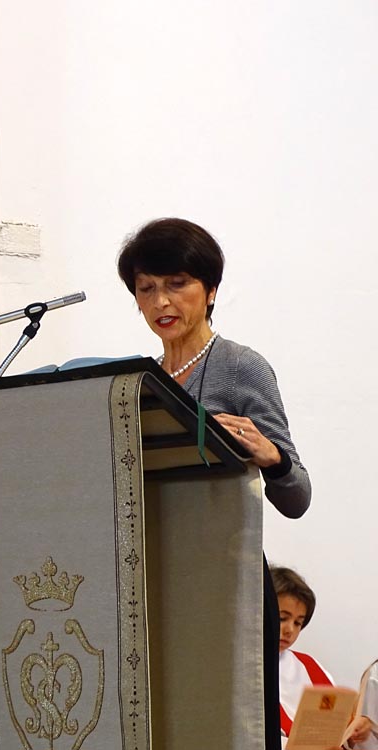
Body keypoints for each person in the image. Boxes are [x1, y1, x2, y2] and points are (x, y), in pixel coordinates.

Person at [118, 218, 311, 750]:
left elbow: (298, 497)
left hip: (227, 584)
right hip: (157, 582)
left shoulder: (241, 366)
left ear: (210, 291)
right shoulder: (138, 382)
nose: (160, 301)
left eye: (176, 283)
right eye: (146, 288)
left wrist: (273, 458)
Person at [270, 566, 334, 742]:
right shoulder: (237, 671)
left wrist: (357, 731)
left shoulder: (310, 666)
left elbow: (336, 724)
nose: (290, 630)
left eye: (298, 623)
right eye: (282, 618)